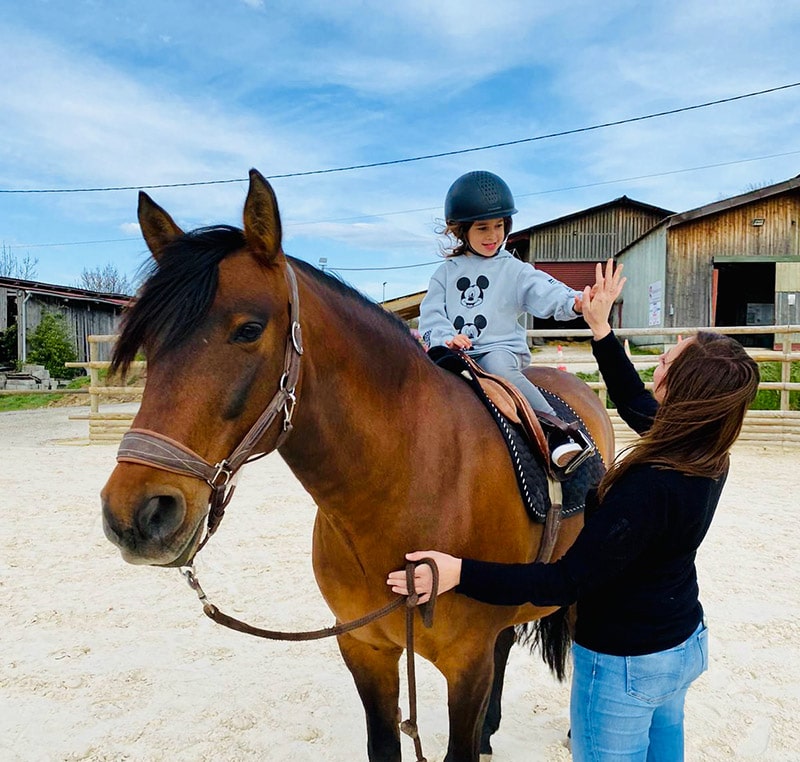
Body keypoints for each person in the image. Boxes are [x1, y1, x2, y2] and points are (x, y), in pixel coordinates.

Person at [389, 259, 760, 761]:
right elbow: (632, 400)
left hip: (625, 663)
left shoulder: (649, 488)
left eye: (668, 363)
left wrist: (457, 571)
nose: (659, 365)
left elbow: (563, 584)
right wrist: (601, 330)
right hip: (682, 643)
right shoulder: (706, 448)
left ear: (685, 391)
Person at [419, 170, 594, 475]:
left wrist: (576, 301)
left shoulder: (515, 270)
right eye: (483, 227)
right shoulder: (445, 274)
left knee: (499, 366)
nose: (493, 236)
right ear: (463, 231)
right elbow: (432, 315)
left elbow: (546, 290)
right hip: (456, 353)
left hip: (497, 350)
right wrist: (446, 337)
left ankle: (555, 431)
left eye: (499, 226)